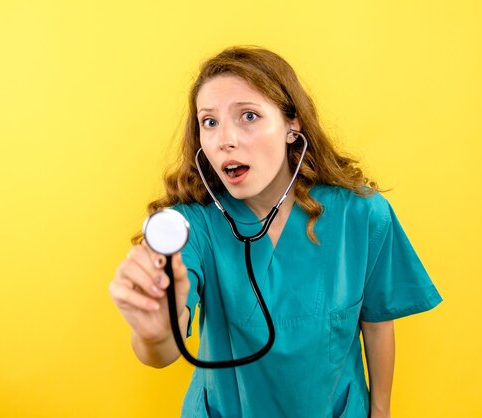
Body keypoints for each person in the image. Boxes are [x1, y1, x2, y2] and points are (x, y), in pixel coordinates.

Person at [109, 46, 443, 418]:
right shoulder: (192, 227)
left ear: (291, 126)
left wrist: (381, 412)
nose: (225, 140)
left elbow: (377, 322)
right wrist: (155, 333)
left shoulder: (362, 214)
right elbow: (161, 349)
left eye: (248, 116)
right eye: (209, 122)